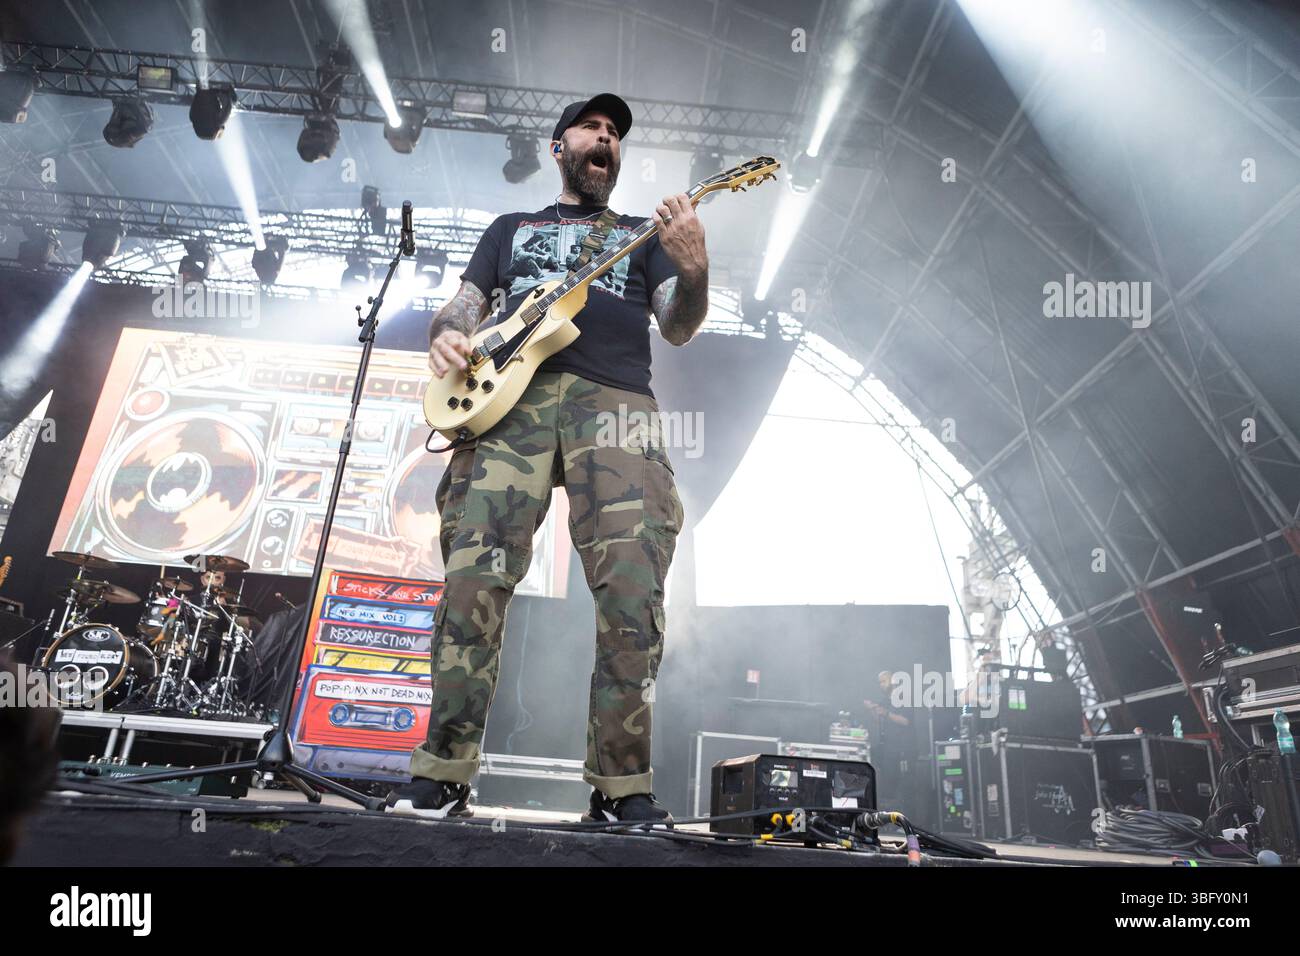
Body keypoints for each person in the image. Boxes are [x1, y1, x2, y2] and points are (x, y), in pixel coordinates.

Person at [386, 93, 710, 823]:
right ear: (560, 146)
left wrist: (693, 272)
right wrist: (445, 335)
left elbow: (680, 326)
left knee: (633, 596)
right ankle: (441, 773)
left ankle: (621, 789)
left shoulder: (642, 234)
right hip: (507, 402)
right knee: (473, 580)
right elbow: (463, 306)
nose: (607, 138)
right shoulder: (511, 229)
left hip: (618, 402)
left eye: (616, 133)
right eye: (593, 128)